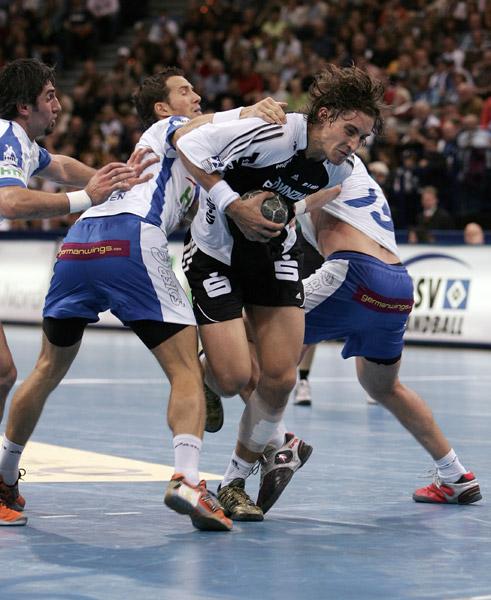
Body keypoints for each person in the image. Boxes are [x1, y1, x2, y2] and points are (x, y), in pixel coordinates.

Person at [0, 66, 287, 530]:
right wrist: (249, 110)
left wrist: (108, 182)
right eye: (185, 91)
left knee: (45, 369)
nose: (196, 97)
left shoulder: (185, 162)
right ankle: (187, 480)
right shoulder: (173, 128)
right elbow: (198, 126)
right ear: (161, 107)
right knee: (186, 370)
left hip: (78, 244)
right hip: (130, 240)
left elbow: (64, 166)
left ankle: (4, 477)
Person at [175, 64, 385, 521]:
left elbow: (328, 191)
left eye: (362, 137)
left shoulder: (341, 166)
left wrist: (291, 209)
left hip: (275, 257)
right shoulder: (274, 130)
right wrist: (234, 204)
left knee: (281, 378)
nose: (354, 144)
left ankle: (233, 483)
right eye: (350, 131)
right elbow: (186, 143)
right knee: (232, 378)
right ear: (324, 114)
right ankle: (208, 374)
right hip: (216, 253)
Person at [233, 155, 482, 514]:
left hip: (354, 274)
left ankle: (274, 448)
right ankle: (456, 475)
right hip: (397, 286)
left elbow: (313, 194)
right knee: (382, 386)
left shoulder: (322, 157)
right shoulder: (350, 168)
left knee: (241, 336)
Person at [0, 58, 154, 526]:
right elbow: (9, 201)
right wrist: (88, 198)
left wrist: (113, 180)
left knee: (4, 374)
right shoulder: (7, 135)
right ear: (24, 106)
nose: (58, 104)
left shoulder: (23, 143)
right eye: (49, 96)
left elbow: (61, 165)